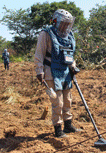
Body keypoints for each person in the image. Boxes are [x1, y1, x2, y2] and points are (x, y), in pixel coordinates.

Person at [34, 9, 82, 138]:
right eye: (63, 23)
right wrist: (39, 71)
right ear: (55, 21)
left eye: (68, 23)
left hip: (65, 72)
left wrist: (73, 66)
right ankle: (58, 128)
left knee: (67, 101)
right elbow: (39, 53)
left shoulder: (70, 35)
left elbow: (70, 55)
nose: (65, 26)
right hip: (51, 71)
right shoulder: (46, 34)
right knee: (57, 102)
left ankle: (68, 125)